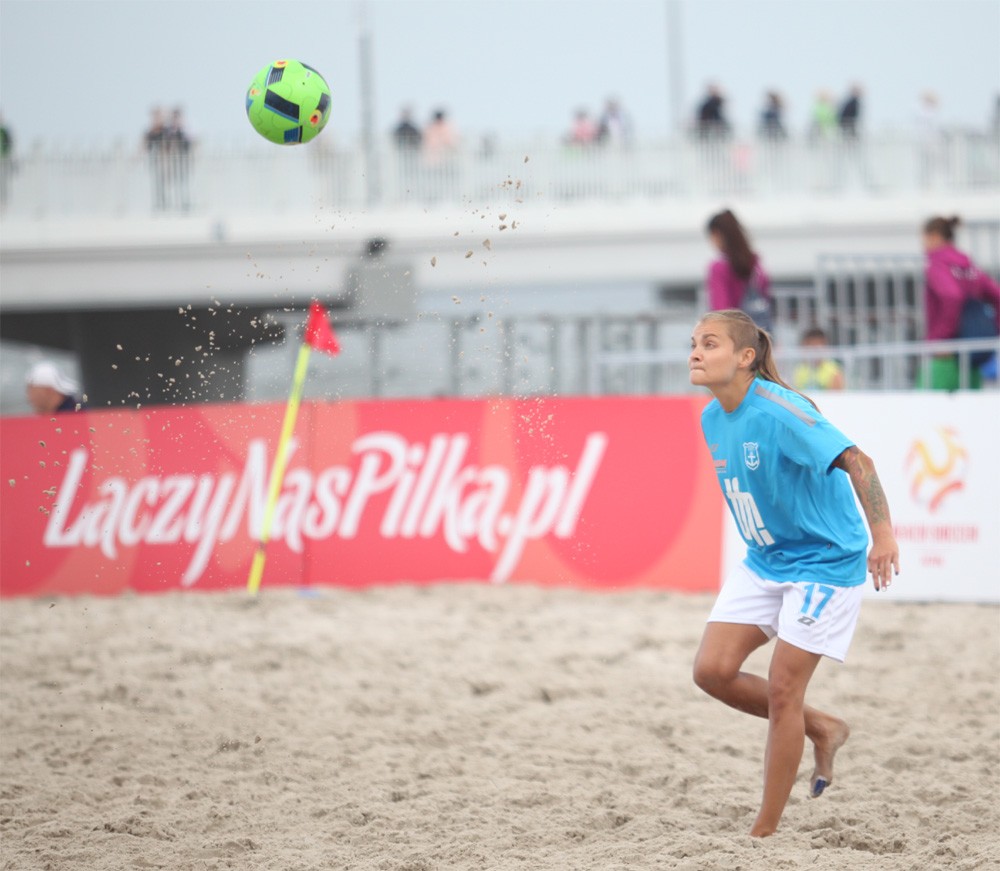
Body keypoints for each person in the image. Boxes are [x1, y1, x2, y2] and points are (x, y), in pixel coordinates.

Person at [688, 308, 900, 838]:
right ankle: (822, 726)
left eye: (709, 344)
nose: (695, 353)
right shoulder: (712, 417)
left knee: (785, 691)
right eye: (693, 343)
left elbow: (860, 462)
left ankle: (762, 835)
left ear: (745, 357)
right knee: (711, 672)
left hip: (824, 562)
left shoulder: (782, 411)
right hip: (766, 560)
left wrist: (883, 537)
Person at [920, 216, 1000, 390]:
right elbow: (996, 295)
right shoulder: (968, 266)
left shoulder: (937, 264)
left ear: (934, 236)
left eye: (923, 239)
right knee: (971, 405)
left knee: (927, 404)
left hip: (945, 356)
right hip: (973, 354)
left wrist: (940, 337)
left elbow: (952, 296)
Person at [705, 210, 773, 333]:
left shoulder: (719, 268)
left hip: (734, 335)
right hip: (758, 334)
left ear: (717, 234)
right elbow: (765, 296)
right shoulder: (755, 265)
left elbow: (720, 311)